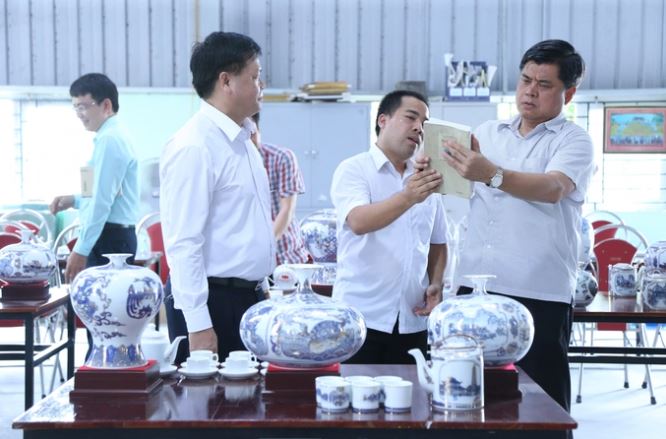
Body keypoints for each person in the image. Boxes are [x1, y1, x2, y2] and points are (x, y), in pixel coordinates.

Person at [430, 39, 595, 414]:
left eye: (544, 84)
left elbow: (553, 188)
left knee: (542, 404)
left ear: (569, 93)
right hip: (475, 286)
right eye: (525, 80)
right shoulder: (488, 132)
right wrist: (435, 168)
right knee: (468, 395)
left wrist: (492, 174)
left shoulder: (574, 140)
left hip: (537, 290)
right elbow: (457, 186)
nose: (530, 92)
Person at [160, 32, 274, 363]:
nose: (261, 85)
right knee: (210, 396)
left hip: (248, 298)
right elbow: (183, 242)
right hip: (212, 302)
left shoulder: (243, 141)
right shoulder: (195, 145)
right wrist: (198, 324)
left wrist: (263, 290)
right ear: (226, 81)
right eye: (254, 76)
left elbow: (246, 224)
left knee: (251, 393)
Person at [330, 90, 448, 364]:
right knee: (356, 391)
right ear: (383, 120)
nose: (419, 128)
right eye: (411, 118)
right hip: (360, 318)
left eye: (424, 123)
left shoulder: (426, 178)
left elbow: (438, 241)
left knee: (413, 392)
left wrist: (436, 283)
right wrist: (408, 196)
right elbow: (359, 221)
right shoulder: (354, 169)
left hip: (413, 319)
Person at [50, 73, 139, 282]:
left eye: (83, 107)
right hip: (110, 235)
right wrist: (74, 200)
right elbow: (102, 193)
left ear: (106, 105)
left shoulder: (110, 140)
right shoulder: (106, 138)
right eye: (75, 108)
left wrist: (81, 249)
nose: (78, 114)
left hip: (110, 239)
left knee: (103, 303)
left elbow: (101, 200)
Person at [250, 112, 310, 265]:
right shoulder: (227, 163)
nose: (248, 139)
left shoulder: (281, 157)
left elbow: (287, 210)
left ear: (259, 130)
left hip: (286, 257)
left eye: (252, 133)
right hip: (247, 260)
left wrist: (266, 246)